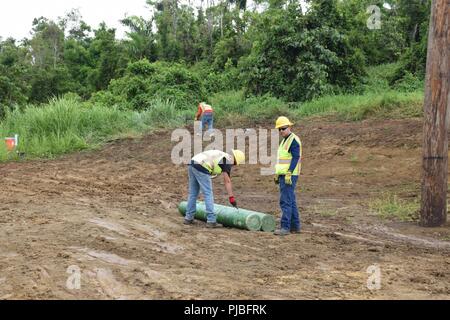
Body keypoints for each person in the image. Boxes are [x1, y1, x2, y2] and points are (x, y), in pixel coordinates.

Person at [184, 149, 246, 228]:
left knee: (193, 193)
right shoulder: (227, 160)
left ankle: (188, 218)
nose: (233, 165)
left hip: (192, 163)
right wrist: (231, 198)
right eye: (235, 164)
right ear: (235, 161)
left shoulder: (222, 156)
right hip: (201, 166)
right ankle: (211, 220)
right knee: (208, 193)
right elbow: (227, 181)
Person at [273, 116, 302, 236]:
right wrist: (277, 173)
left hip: (289, 175)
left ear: (289, 127)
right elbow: (282, 160)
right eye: (279, 129)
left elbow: (296, 157)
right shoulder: (284, 140)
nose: (281, 131)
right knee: (291, 201)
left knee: (285, 201)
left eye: (283, 128)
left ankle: (285, 227)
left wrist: (289, 172)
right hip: (283, 174)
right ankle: (295, 226)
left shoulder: (293, 140)